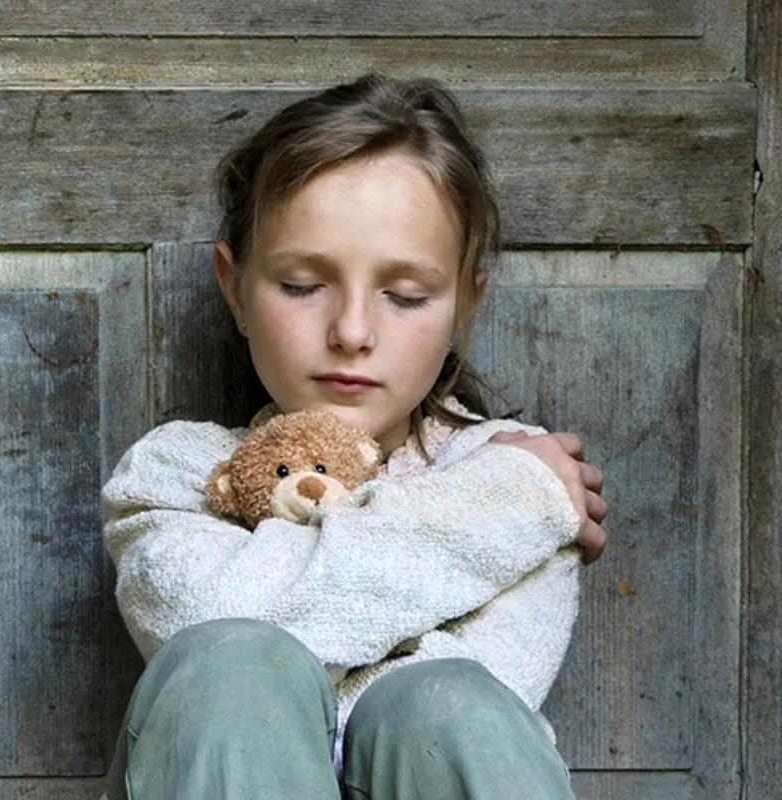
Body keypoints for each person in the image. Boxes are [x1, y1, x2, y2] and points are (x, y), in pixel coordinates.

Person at [99, 73, 609, 800]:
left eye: (405, 296)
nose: (352, 331)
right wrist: (493, 508)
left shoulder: (523, 468)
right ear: (234, 287)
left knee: (450, 707)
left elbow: (488, 692)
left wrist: (302, 586)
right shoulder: (176, 476)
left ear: (466, 303)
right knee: (234, 666)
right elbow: (216, 628)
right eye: (303, 286)